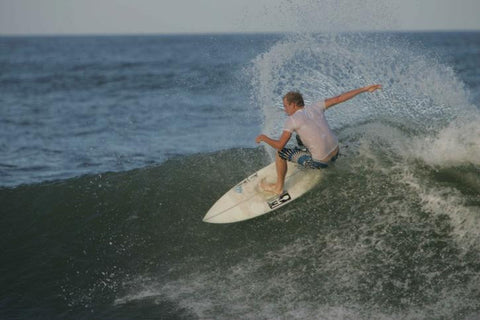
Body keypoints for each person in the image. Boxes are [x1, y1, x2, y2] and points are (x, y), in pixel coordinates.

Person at [255, 84, 382, 195]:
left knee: (281, 153)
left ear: (293, 105)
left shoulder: (291, 120)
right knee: (300, 135)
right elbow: (339, 98)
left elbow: (280, 145)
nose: (285, 110)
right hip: (336, 152)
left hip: (321, 162)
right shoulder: (316, 106)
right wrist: (365, 89)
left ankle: (278, 187)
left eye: (286, 106)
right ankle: (309, 153)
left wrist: (264, 138)